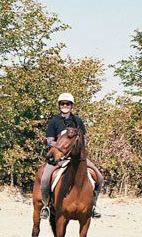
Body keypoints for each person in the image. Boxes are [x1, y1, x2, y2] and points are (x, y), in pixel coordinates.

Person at [40, 92, 104, 220]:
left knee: (100, 177)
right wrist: (61, 147)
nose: (65, 105)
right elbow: (49, 140)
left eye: (67, 104)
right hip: (59, 156)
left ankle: (93, 206)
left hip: (76, 156)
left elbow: (84, 139)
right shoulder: (54, 121)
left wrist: (76, 147)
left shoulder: (78, 121)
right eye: (63, 103)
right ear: (59, 105)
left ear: (71, 105)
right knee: (45, 178)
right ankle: (46, 206)